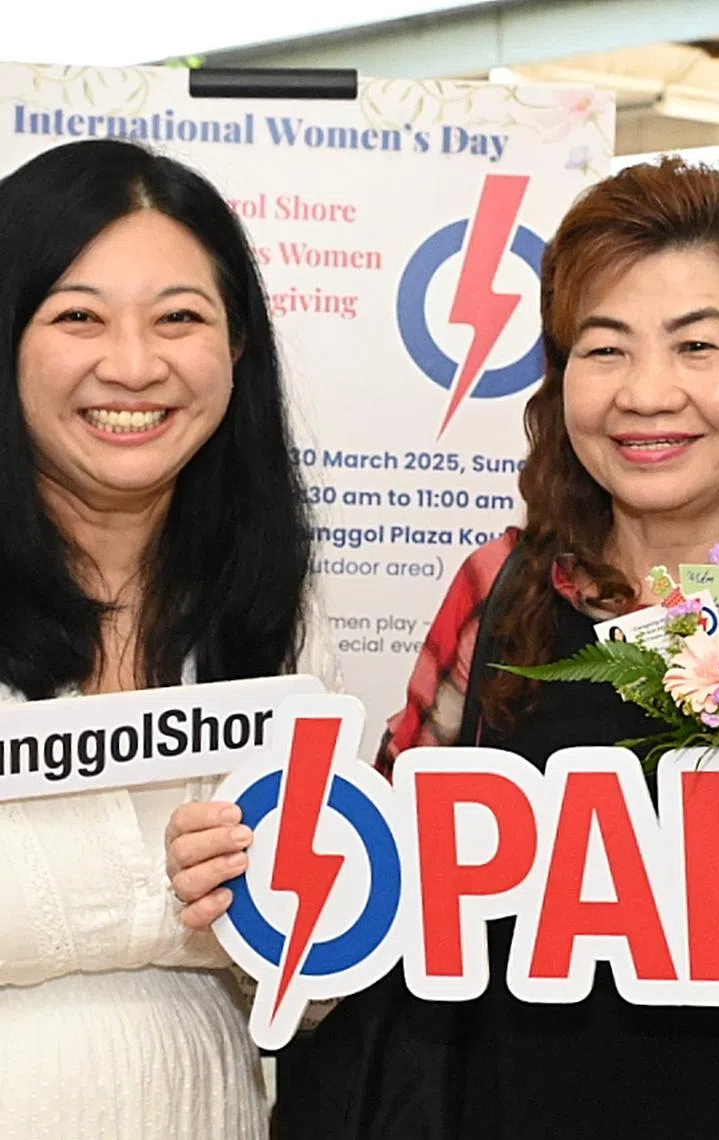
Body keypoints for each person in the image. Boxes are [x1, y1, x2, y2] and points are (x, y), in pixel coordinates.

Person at [172, 157, 719, 1137]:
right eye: (604, 349)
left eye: (695, 347)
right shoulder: (499, 594)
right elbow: (383, 889)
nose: (645, 394)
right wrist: (261, 858)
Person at [0, 138, 338, 1140]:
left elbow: (310, 989)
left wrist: (282, 915)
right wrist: (167, 889)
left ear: (236, 348)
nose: (135, 366)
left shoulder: (280, 608)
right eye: (78, 317)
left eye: (181, 318)